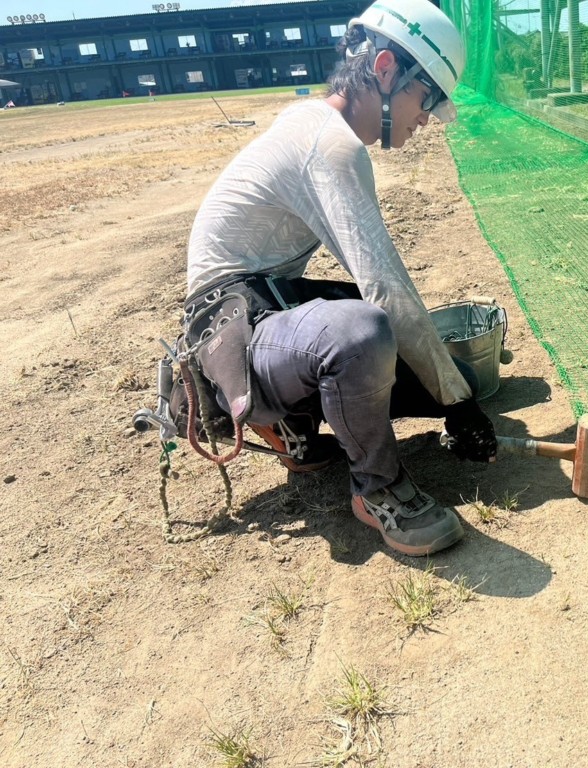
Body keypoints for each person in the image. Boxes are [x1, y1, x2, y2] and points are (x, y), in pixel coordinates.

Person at [184, 0, 497, 557]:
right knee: (360, 334)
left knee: (439, 368)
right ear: (385, 70)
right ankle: (378, 489)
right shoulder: (330, 145)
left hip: (258, 310)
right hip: (228, 330)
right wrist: (455, 401)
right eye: (427, 96)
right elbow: (384, 287)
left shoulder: (315, 124)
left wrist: (454, 392)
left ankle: (294, 429)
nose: (426, 118)